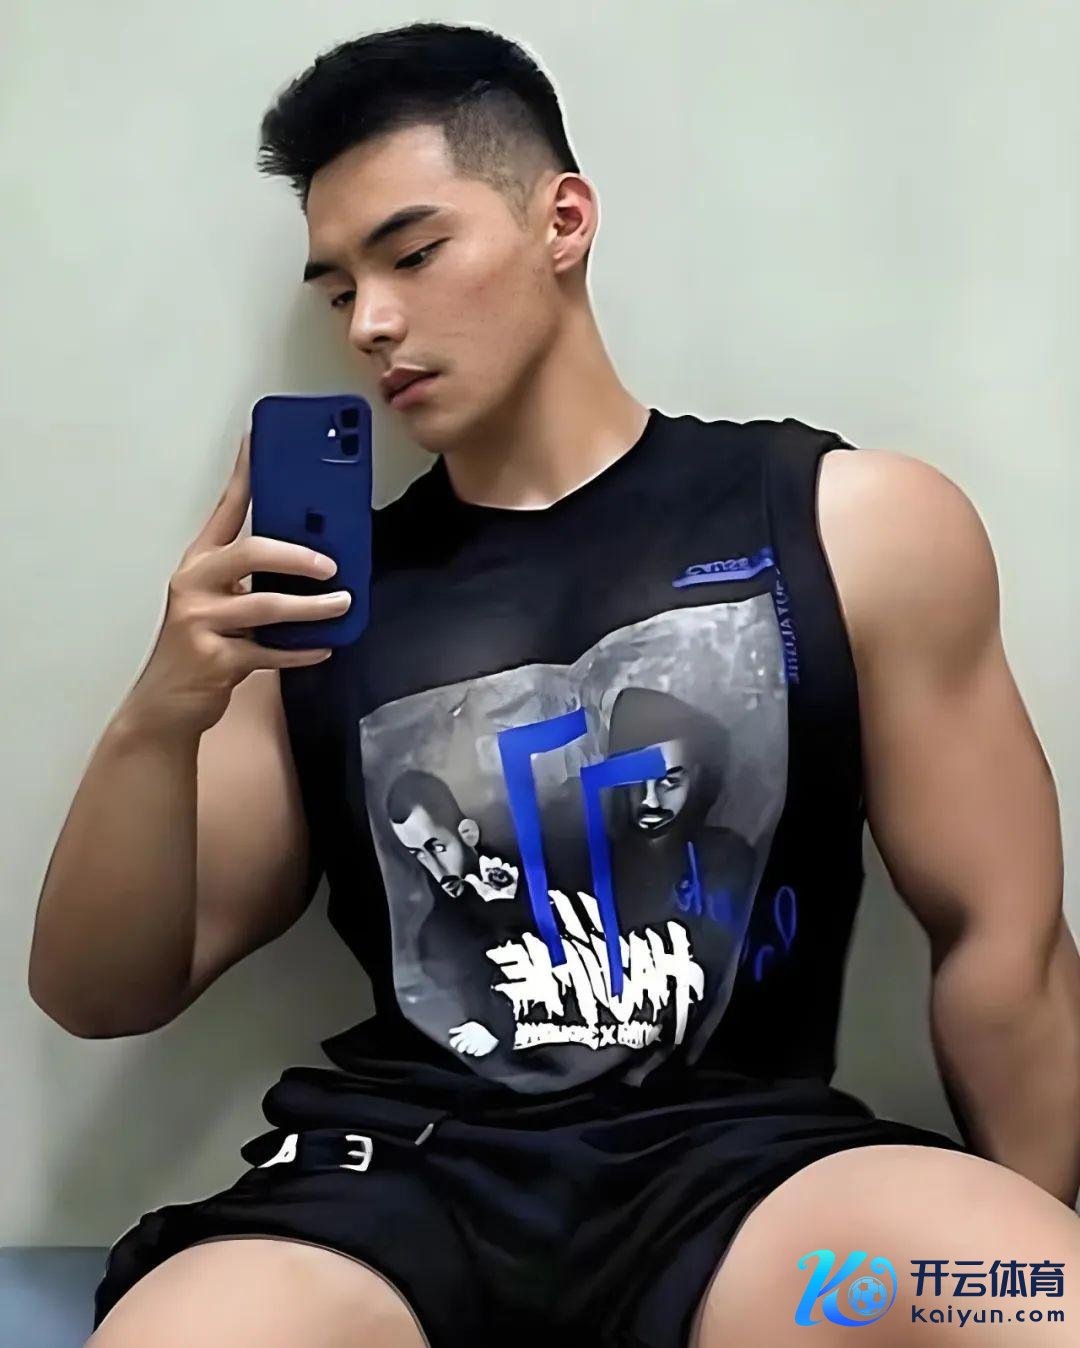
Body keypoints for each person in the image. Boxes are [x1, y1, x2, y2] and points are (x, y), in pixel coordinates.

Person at [28, 19, 1078, 1348]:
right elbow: (103, 993)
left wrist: (1027, 1232)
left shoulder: (849, 524)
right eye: (338, 290)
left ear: (562, 221)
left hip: (743, 1175)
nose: (373, 323)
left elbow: (1004, 942)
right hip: (403, 1179)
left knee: (1035, 1304)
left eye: (413, 254)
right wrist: (160, 712)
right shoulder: (317, 611)